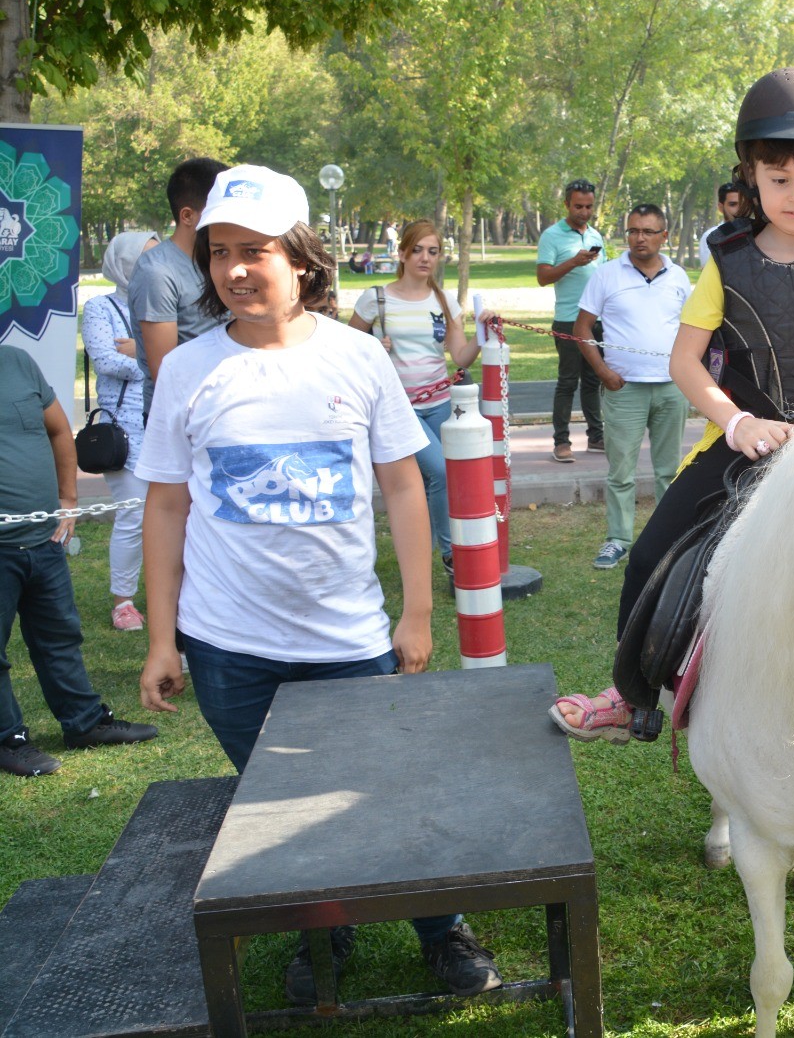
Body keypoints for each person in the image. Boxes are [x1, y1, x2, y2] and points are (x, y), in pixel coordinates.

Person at [135, 165, 501, 1002]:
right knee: (285, 809)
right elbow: (165, 509)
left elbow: (406, 487)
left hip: (349, 643)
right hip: (229, 653)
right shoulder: (188, 372)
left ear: (300, 260)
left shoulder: (358, 357)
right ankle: (322, 930)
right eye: (218, 252)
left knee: (385, 794)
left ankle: (441, 931)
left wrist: (415, 613)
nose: (232, 269)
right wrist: (163, 640)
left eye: (253, 251)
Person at [551, 66, 794, 742]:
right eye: (779, 180)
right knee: (649, 553)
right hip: (736, 446)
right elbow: (685, 361)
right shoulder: (724, 261)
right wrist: (736, 423)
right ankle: (631, 696)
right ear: (752, 176)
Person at [0, 345, 159, 777]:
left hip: (42, 538)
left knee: (59, 637)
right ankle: (7, 739)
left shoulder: (16, 361)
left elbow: (56, 430)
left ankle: (84, 724)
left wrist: (68, 498)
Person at [349, 220, 480, 577]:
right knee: (440, 472)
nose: (425, 258)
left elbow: (460, 356)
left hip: (440, 402)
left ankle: (422, 545)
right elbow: (347, 351)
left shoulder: (444, 300)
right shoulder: (376, 298)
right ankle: (453, 556)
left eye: (433, 251)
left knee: (446, 475)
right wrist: (373, 346)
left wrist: (482, 335)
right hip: (398, 408)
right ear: (402, 253)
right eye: (418, 250)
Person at [572, 203, 692, 571]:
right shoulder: (606, 275)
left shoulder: (678, 277)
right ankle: (618, 539)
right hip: (623, 388)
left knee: (669, 470)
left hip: (672, 387)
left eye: (648, 231)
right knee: (620, 472)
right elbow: (581, 329)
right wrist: (603, 372)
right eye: (633, 231)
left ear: (664, 236)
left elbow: (693, 329)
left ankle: (667, 540)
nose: (639, 238)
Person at [82, 229, 159, 630]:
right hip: (125, 431)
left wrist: (139, 349)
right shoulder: (100, 307)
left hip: (167, 424)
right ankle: (123, 602)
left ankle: (174, 592)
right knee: (133, 516)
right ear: (125, 264)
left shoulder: (166, 302)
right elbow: (106, 360)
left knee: (177, 514)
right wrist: (155, 358)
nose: (153, 265)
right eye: (144, 258)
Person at [128, 156, 231, 418]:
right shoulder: (157, 272)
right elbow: (165, 371)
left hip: (225, 407)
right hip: (180, 416)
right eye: (218, 209)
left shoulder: (218, 261)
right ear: (187, 216)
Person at [538, 180, 608, 462]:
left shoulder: (596, 235)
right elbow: (543, 277)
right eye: (578, 206)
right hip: (568, 320)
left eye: (589, 206)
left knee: (593, 381)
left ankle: (596, 436)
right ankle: (561, 442)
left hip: (596, 321)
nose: (584, 211)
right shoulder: (552, 236)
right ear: (567, 204)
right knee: (568, 382)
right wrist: (572, 263)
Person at [699, 182, 743, 267]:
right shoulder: (711, 237)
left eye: (743, 204)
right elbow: (707, 274)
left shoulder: (759, 234)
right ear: (721, 207)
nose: (740, 209)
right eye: (733, 204)